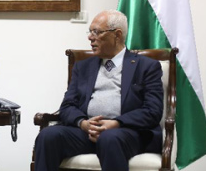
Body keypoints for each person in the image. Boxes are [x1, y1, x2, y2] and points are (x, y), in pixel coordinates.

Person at [34, 10, 163, 171]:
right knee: (48, 136)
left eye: (97, 32)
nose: (90, 37)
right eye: (90, 31)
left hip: (127, 133)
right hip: (86, 132)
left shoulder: (146, 67)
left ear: (117, 35)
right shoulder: (83, 67)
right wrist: (83, 124)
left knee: (109, 138)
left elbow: (153, 111)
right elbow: (67, 106)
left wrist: (116, 123)